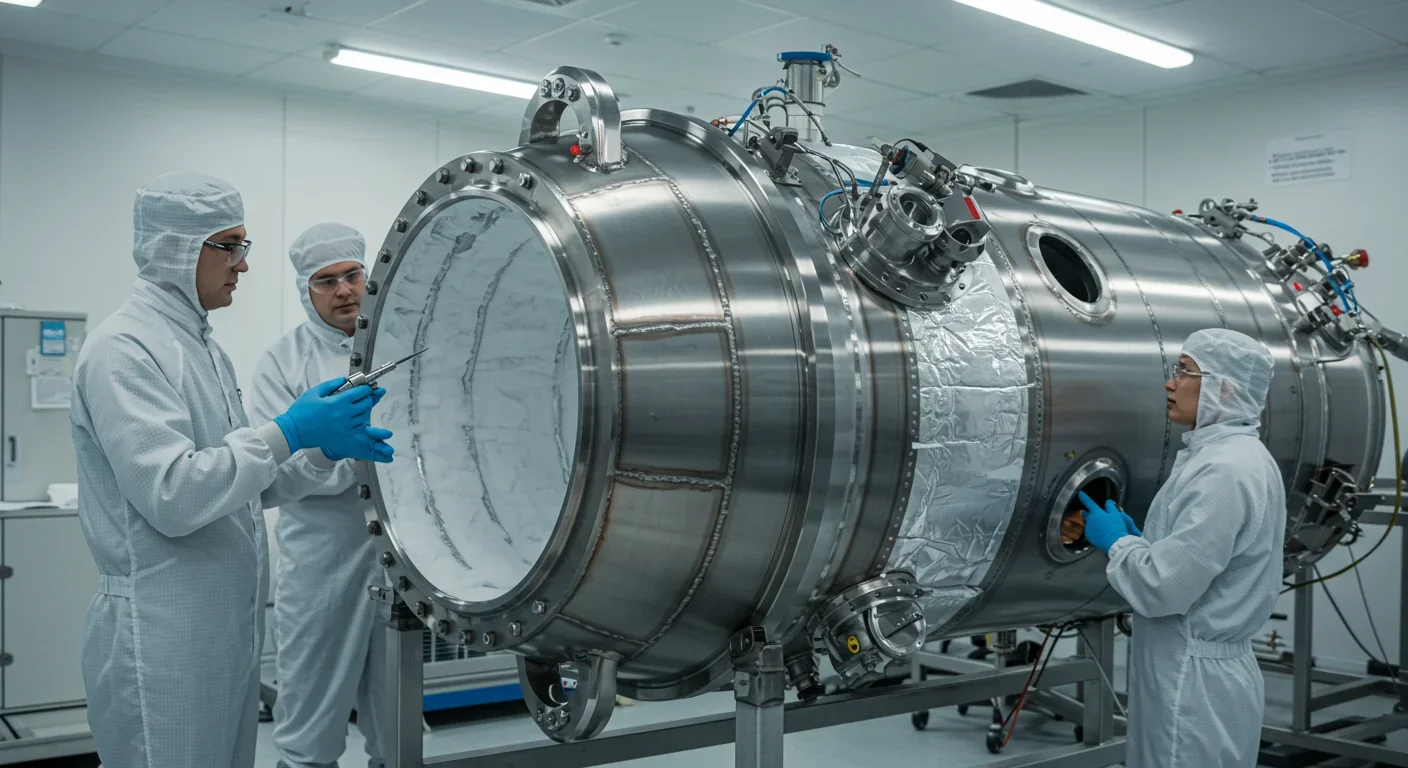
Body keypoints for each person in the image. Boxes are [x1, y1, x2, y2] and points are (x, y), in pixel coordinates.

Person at [70, 173, 394, 768]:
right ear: (178, 248)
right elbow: (172, 493)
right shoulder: (125, 348)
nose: (243, 265)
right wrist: (288, 431)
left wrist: (321, 448)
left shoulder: (201, 348)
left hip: (220, 626)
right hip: (164, 630)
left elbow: (250, 483)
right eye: (231, 245)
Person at [1080, 328, 1284, 768]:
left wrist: (1118, 544)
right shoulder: (1234, 457)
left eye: (1185, 372)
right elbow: (1197, 562)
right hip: (1195, 671)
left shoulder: (1224, 470)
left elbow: (1165, 589)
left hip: (1192, 686)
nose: (1170, 383)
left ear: (1223, 388)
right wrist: (1142, 543)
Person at [250, 223, 388, 768]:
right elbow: (271, 479)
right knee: (310, 730)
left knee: (398, 726)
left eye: (352, 275)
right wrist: (329, 454)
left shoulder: (400, 342)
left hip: (405, 558)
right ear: (306, 292)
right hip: (323, 561)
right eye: (324, 281)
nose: (343, 291)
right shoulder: (283, 363)